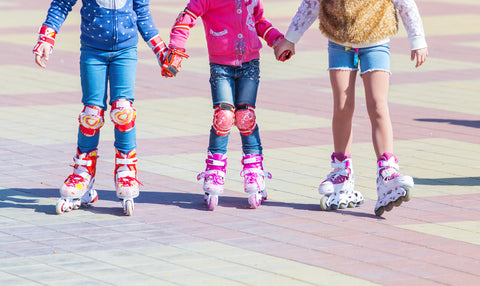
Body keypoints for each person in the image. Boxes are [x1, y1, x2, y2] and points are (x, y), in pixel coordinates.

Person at [274, 0, 428, 216]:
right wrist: (290, 39)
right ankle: (341, 170)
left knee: (377, 105)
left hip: (375, 39)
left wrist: (417, 39)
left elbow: (405, 3)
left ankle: (387, 170)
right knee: (342, 106)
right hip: (339, 41)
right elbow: (310, 3)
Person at [33, 0, 168, 216]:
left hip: (125, 52)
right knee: (91, 115)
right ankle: (83, 173)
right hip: (93, 52)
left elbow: (142, 13)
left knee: (123, 112)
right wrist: (46, 38)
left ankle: (126, 170)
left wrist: (161, 50)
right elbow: (60, 5)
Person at [162, 0, 285, 210]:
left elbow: (259, 21)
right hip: (221, 65)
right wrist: (176, 49)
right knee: (223, 117)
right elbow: (186, 18)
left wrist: (278, 40)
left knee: (246, 117)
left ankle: (255, 171)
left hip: (250, 63)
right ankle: (214, 172)